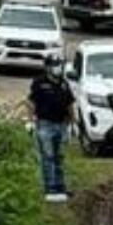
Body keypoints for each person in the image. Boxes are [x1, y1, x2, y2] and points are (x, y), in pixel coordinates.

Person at [27, 58, 74, 202]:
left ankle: (60, 186)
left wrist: (73, 124)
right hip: (45, 124)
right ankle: (50, 188)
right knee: (48, 156)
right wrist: (30, 120)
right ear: (48, 67)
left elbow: (69, 105)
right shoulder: (39, 83)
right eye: (55, 65)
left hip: (61, 124)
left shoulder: (64, 84)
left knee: (59, 156)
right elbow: (30, 103)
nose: (58, 68)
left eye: (59, 65)